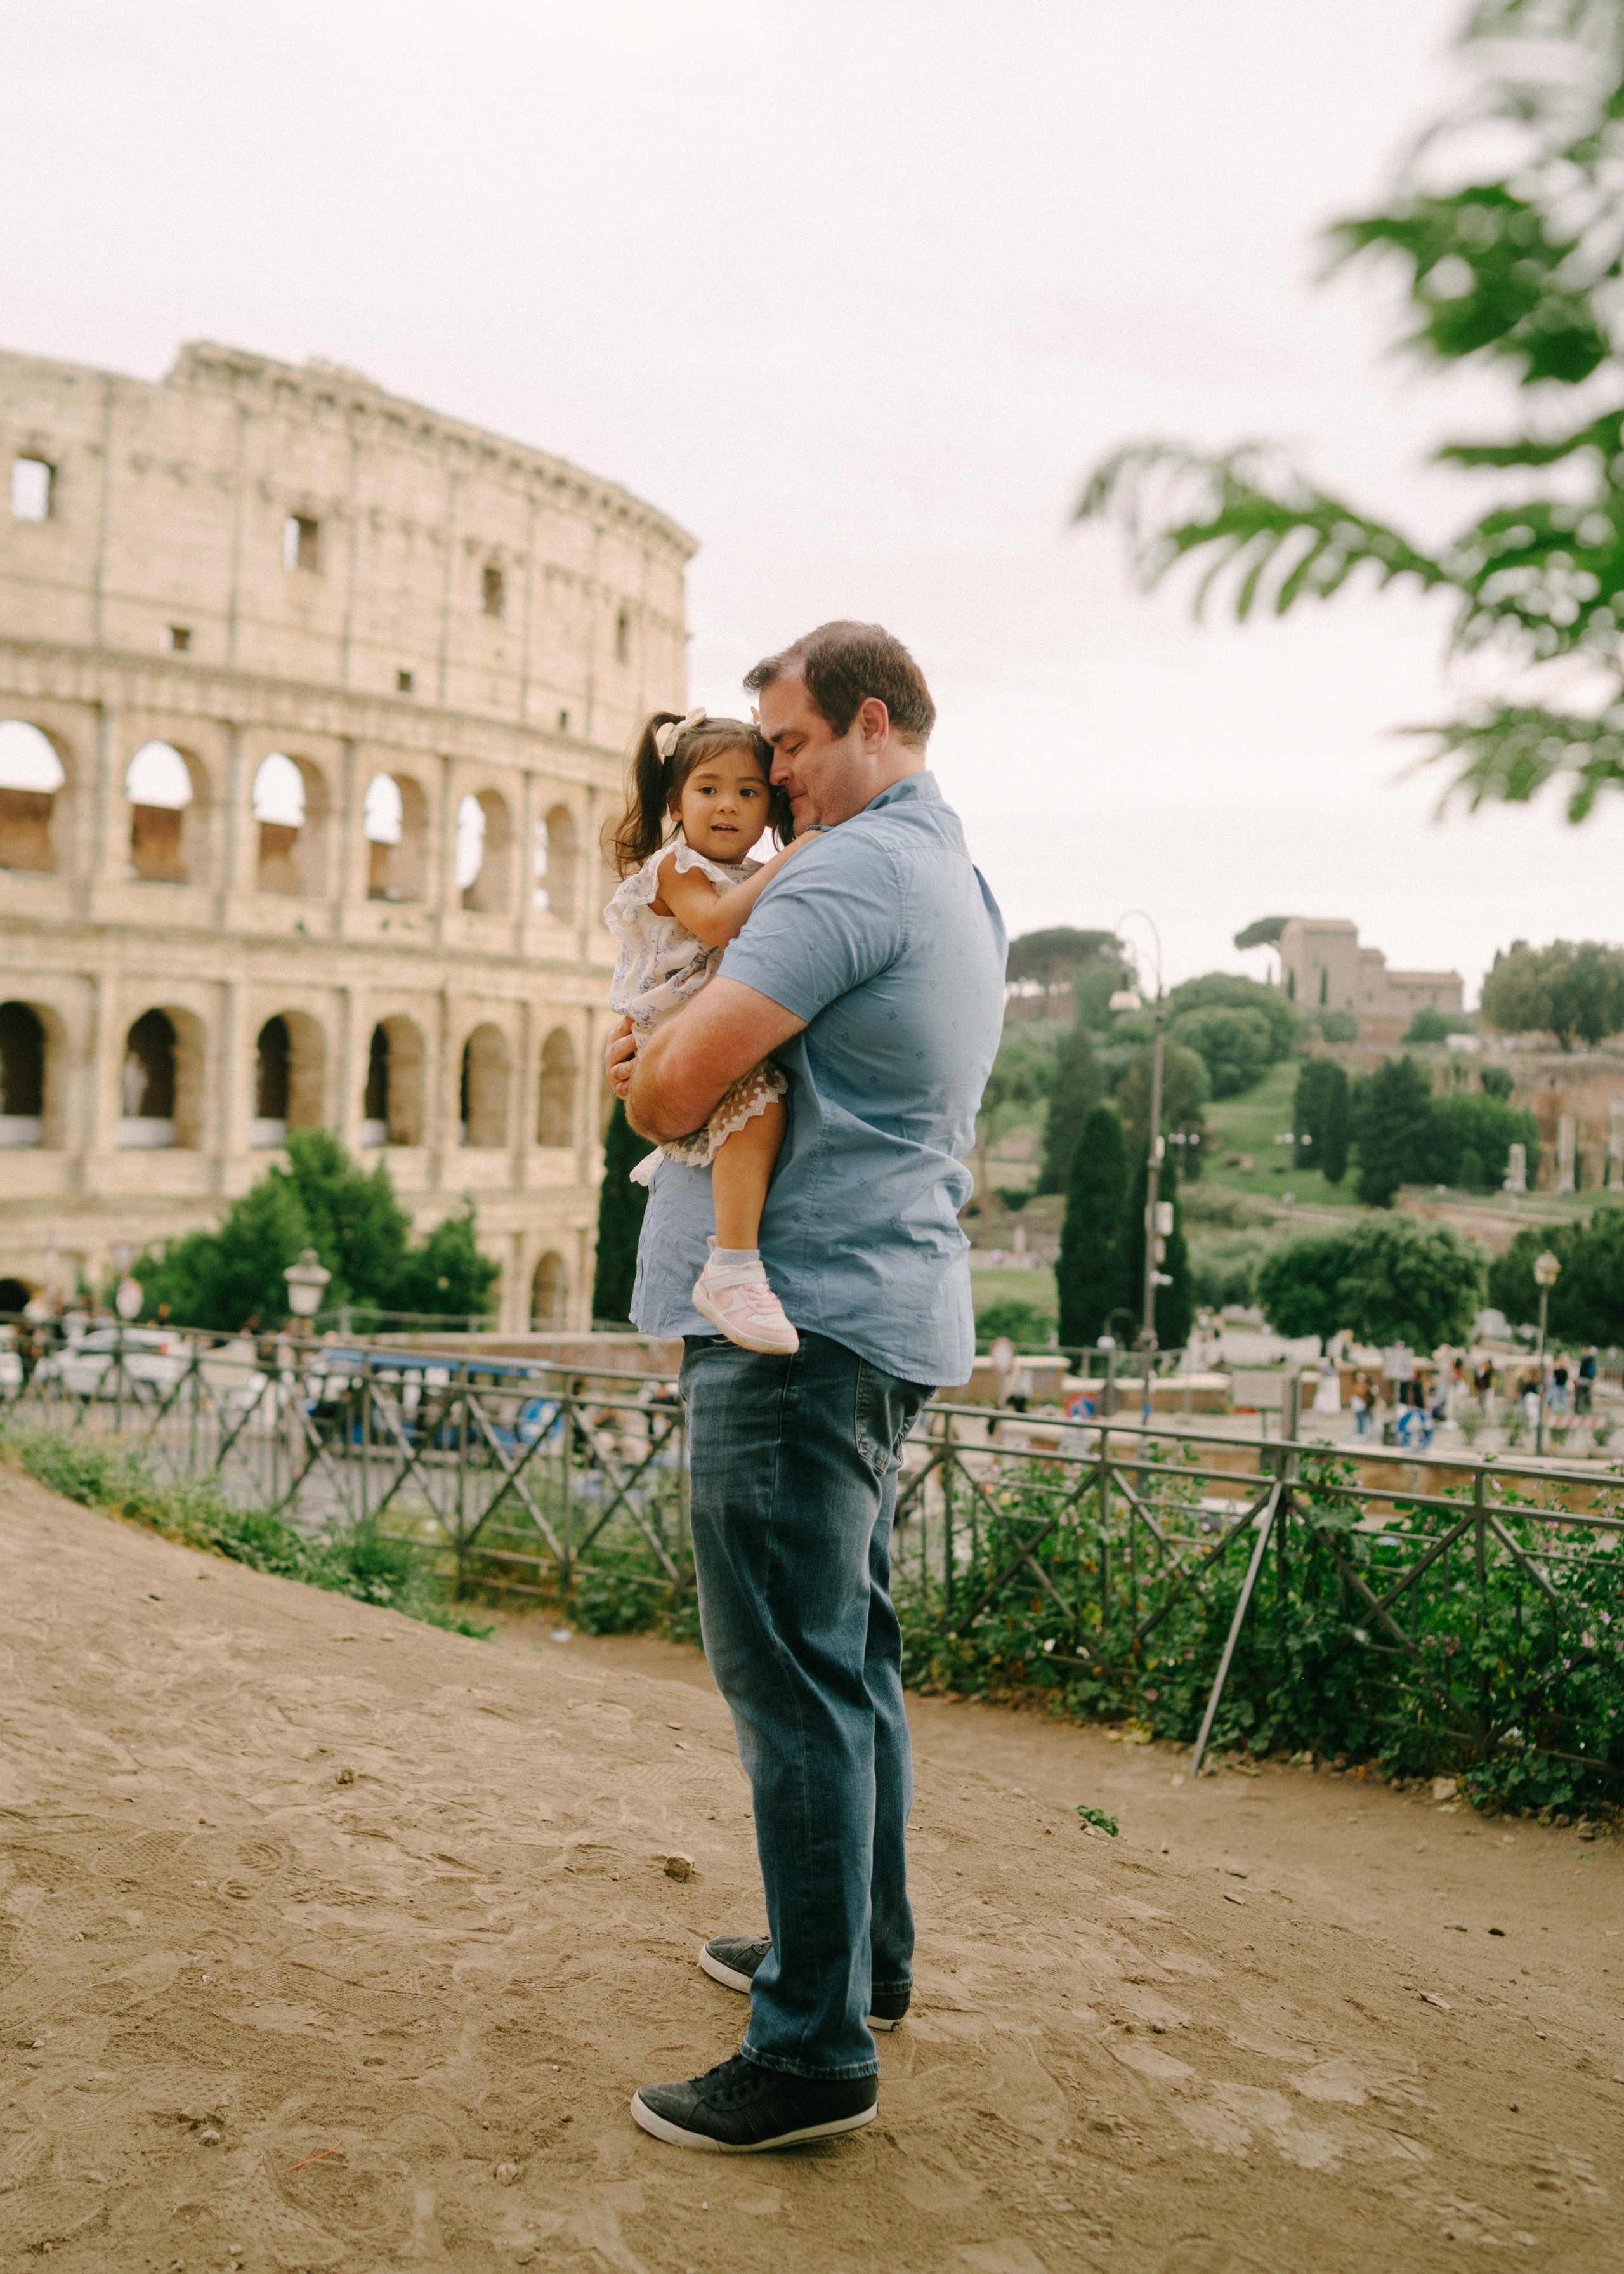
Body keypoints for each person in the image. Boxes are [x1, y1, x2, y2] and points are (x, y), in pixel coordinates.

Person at [606, 621, 1004, 2154]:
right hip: (882, 1306)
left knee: (790, 1680)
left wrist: (636, 1072)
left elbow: (671, 1087)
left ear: (871, 724)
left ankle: (812, 2049)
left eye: (784, 742)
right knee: (851, 1658)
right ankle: (856, 1963)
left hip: (798, 1325)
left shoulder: (840, 872)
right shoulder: (952, 870)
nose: (763, 773)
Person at [604, 707, 820, 1355]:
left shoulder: (750, 874)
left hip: (698, 1025)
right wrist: (803, 851)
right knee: (759, 1106)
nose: (728, 805)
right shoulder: (675, 868)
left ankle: (734, 1262)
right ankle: (731, 1264)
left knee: (758, 1108)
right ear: (675, 800)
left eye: (748, 792)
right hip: (676, 1029)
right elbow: (721, 924)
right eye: (709, 789)